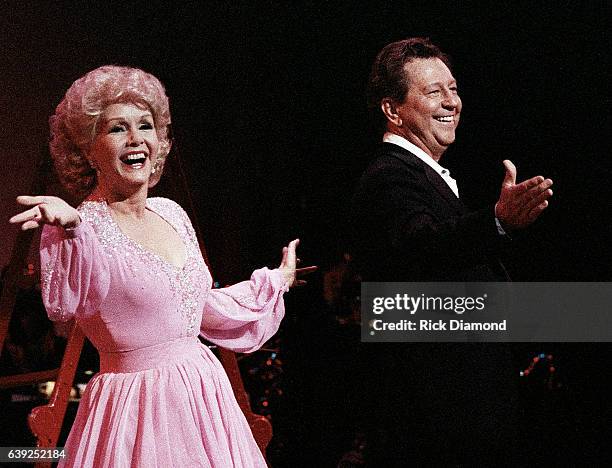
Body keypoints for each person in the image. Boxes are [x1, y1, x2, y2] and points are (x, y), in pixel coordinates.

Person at [10, 65, 314, 467]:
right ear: (88, 148)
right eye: (117, 129)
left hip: (206, 400)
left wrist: (275, 281)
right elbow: (65, 305)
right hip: (138, 412)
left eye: (145, 125)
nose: (136, 139)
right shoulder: (82, 226)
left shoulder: (171, 212)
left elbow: (196, 307)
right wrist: (70, 232)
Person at [350, 38, 554, 464]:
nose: (451, 102)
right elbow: (423, 248)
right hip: (438, 421)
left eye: (454, 89)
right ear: (393, 110)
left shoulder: (426, 175)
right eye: (433, 92)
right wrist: (497, 220)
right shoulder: (389, 176)